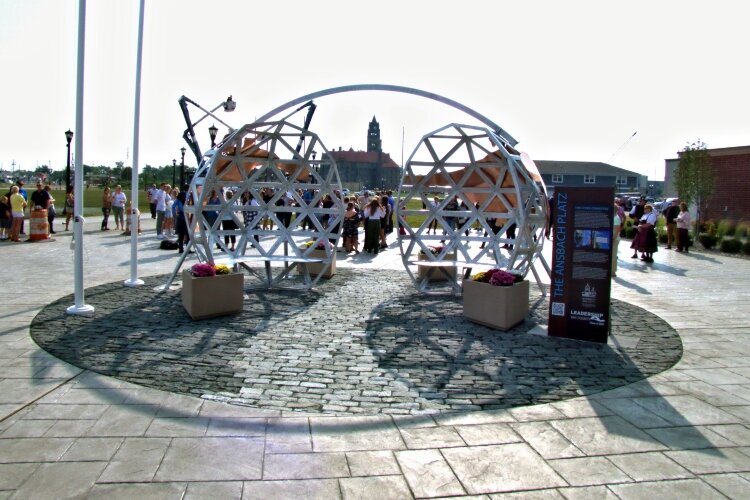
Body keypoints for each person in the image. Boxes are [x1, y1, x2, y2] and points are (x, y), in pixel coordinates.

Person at [612, 202, 622, 277]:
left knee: (613, 255)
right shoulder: (614, 217)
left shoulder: (616, 218)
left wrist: (613, 238)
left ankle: (613, 271)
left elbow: (617, 230)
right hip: (612, 238)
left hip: (614, 239)